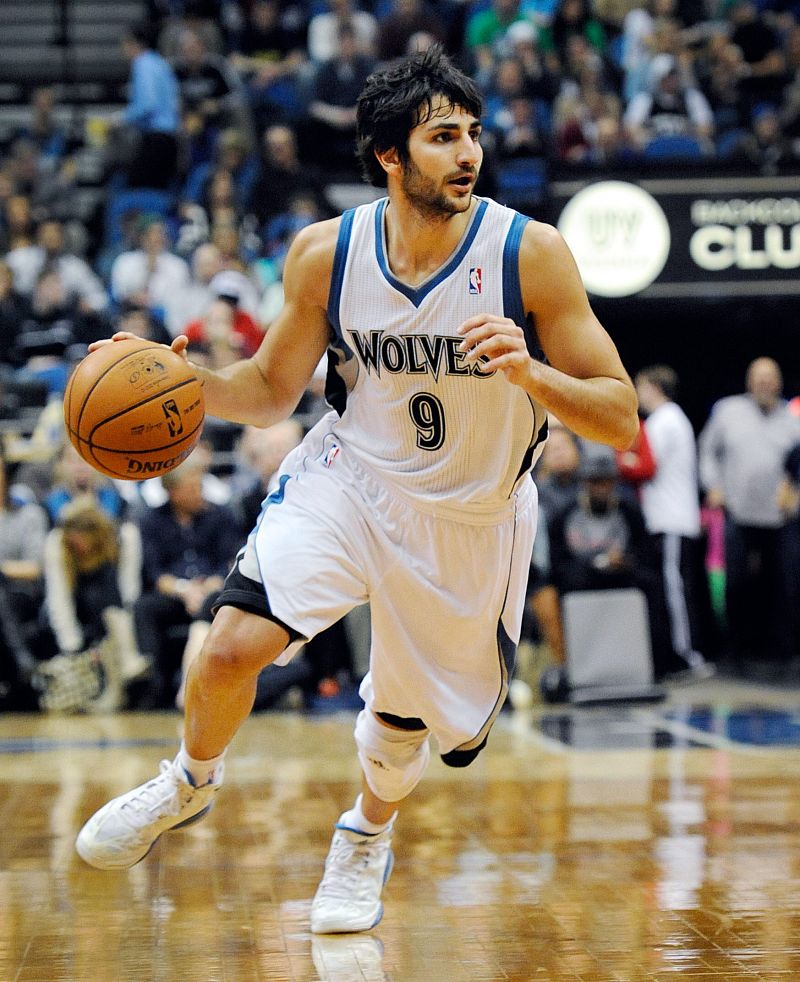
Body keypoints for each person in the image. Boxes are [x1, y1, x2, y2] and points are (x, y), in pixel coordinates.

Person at [75, 46, 638, 935]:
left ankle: (366, 833)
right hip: (349, 479)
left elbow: (620, 417)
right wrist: (180, 386)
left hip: (469, 518)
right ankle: (187, 781)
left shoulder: (530, 255)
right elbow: (267, 390)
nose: (467, 154)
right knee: (229, 647)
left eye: (472, 134)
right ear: (388, 154)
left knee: (405, 726)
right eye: (442, 136)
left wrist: (531, 371)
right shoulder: (324, 256)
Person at [699, 357, 800, 671]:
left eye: (770, 378)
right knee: (736, 583)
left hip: (780, 516)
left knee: (786, 583)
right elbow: (706, 453)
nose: (765, 383)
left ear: (780, 382)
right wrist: (712, 486)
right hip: (738, 512)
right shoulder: (728, 412)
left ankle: (784, 652)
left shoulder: (793, 420)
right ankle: (736, 650)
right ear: (748, 381)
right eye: (759, 377)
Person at [632, 366, 713, 678]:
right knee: (673, 588)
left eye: (640, 387)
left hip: (671, 520)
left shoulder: (664, 421)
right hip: (670, 520)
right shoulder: (672, 419)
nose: (638, 395)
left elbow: (642, 465)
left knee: (675, 589)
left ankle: (687, 656)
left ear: (653, 387)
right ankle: (677, 654)